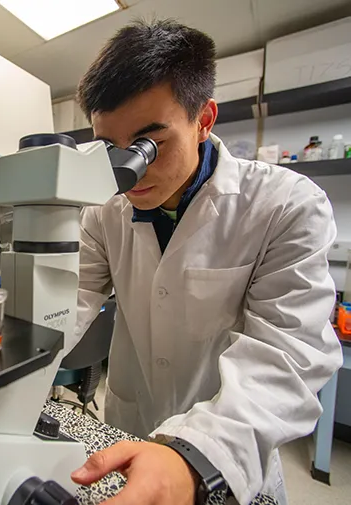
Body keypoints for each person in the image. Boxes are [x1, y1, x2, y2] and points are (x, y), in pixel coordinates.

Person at [68, 19, 343, 505]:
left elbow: (286, 356)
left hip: (229, 448)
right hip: (130, 431)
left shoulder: (286, 204)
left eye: (149, 144)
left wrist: (194, 452)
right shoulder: (102, 213)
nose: (129, 172)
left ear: (205, 119)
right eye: (112, 148)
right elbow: (68, 305)